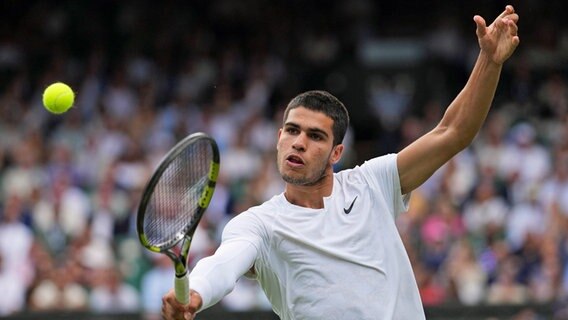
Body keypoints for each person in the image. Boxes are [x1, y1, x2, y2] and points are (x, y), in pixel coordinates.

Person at [161, 5, 520, 320]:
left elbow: (453, 131)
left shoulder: (372, 184)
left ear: (337, 153)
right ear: (278, 138)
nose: (299, 142)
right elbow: (225, 263)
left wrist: (488, 61)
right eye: (291, 130)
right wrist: (196, 293)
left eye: (315, 136)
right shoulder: (260, 225)